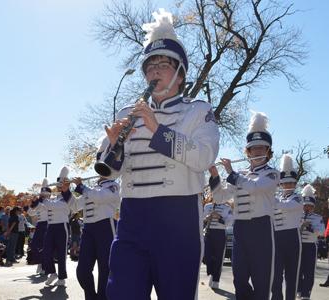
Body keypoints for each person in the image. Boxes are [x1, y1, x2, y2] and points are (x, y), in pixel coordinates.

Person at [101, 9, 220, 299]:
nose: (154, 71)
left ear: (180, 74)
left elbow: (204, 157)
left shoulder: (199, 112)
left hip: (178, 221)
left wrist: (157, 131)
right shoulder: (127, 113)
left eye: (163, 64)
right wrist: (112, 146)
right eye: (150, 66)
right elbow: (111, 172)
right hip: (131, 219)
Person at [210, 111, 278, 299]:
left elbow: (255, 187)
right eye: (253, 149)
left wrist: (232, 173)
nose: (257, 152)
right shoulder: (239, 173)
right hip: (240, 228)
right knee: (239, 279)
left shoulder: (272, 173)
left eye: (261, 149)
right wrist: (215, 176)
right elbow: (221, 197)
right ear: (247, 152)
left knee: (262, 280)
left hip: (261, 228)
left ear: (268, 152)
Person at [62, 172, 120, 300]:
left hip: (106, 227)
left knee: (105, 270)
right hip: (88, 230)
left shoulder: (114, 186)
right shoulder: (91, 189)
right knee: (82, 271)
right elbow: (76, 205)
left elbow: (100, 197)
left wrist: (81, 187)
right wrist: (66, 191)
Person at [271, 153, 303, 300]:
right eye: (285, 183)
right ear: (281, 184)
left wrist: (270, 199)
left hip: (292, 238)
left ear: (295, 184)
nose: (288, 186)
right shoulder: (276, 198)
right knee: (275, 274)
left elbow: (288, 206)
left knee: (292, 275)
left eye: (291, 183)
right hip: (277, 238)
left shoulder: (297, 197)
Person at [42, 166, 73, 287]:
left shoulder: (67, 197)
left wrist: (43, 200)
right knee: (46, 251)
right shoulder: (54, 198)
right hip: (51, 227)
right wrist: (36, 201)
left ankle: (62, 277)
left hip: (62, 227)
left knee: (61, 254)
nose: (59, 186)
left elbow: (54, 207)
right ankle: (52, 273)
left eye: (62, 184)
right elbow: (43, 208)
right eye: (59, 184)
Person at [298, 184, 324, 300]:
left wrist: (311, 228)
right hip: (298, 245)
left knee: (309, 271)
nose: (307, 208)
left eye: (309, 206)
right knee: (298, 269)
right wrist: (300, 226)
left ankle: (306, 293)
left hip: (310, 247)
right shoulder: (297, 216)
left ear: (313, 206)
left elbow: (322, 232)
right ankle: (298, 289)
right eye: (305, 205)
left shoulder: (318, 218)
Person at [202, 198, 233, 289]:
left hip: (220, 234)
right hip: (209, 233)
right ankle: (212, 273)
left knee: (219, 258)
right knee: (207, 256)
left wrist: (219, 217)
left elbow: (229, 223)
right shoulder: (207, 206)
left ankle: (216, 279)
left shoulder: (227, 208)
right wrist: (207, 218)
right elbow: (202, 219)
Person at [28, 179, 50, 274]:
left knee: (44, 247)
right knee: (34, 245)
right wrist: (27, 207)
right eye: (42, 193)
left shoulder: (50, 201)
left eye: (44, 193)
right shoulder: (39, 202)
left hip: (47, 224)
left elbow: (43, 207)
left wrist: (36, 201)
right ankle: (40, 263)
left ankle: (44, 266)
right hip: (39, 224)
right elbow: (32, 213)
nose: (42, 194)